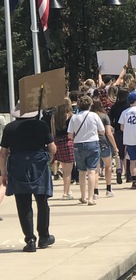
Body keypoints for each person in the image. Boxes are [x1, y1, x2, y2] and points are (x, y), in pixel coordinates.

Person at [0, 104, 57, 252]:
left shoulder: (9, 128)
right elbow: (52, 148)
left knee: (23, 202)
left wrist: (3, 172)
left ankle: (30, 239)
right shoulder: (41, 126)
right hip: (38, 163)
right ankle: (44, 236)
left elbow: (3, 152)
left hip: (17, 165)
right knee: (42, 200)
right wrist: (50, 158)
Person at [68, 95, 105, 205]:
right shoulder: (94, 116)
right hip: (93, 143)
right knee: (92, 171)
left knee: (82, 171)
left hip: (78, 145)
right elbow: (102, 131)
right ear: (90, 105)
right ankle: (90, 197)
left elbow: (70, 135)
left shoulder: (74, 117)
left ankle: (83, 196)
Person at [91, 100, 118, 198]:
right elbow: (109, 133)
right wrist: (115, 146)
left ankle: (95, 191)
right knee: (108, 166)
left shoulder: (90, 116)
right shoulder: (104, 116)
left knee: (95, 169)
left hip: (92, 142)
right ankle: (108, 189)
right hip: (103, 142)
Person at [51, 97, 75, 200]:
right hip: (68, 142)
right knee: (68, 171)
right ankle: (65, 193)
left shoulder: (54, 116)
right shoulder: (70, 116)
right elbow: (72, 133)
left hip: (58, 142)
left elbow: (53, 132)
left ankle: (68, 190)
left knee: (64, 168)